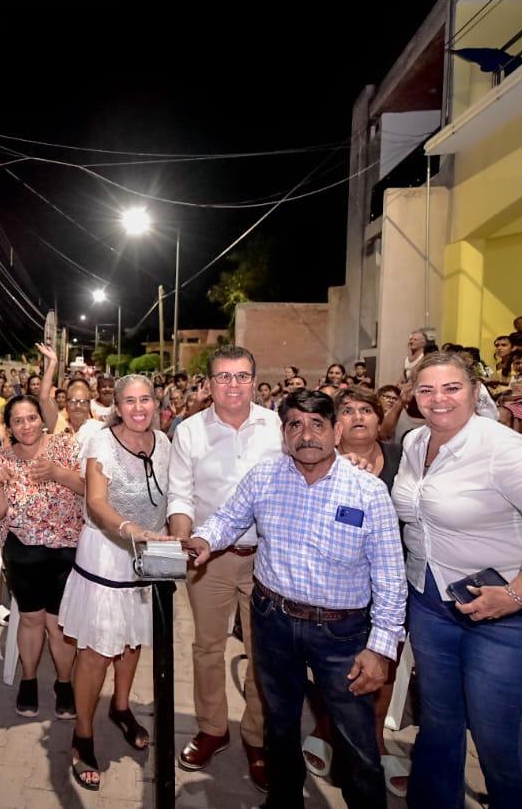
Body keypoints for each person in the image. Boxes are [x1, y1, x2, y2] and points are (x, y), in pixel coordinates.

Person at [391, 352, 522, 809]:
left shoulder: (501, 447)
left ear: (474, 390)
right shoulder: (414, 443)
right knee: (439, 725)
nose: (438, 399)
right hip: (432, 605)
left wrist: (514, 593)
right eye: (426, 390)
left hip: (509, 618)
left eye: (451, 388)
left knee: (496, 739)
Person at [184, 389, 406, 809]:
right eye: (295, 425)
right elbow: (230, 518)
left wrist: (381, 649)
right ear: (283, 433)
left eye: (317, 424)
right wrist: (204, 539)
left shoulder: (367, 491)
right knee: (280, 724)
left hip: (342, 634)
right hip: (274, 621)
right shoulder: (264, 477)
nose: (307, 435)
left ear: (336, 431)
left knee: (355, 739)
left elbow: (391, 578)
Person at [166, 346, 280, 793]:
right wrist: (184, 539)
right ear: (209, 383)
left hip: (268, 560)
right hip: (208, 560)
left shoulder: (276, 427)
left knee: (262, 654)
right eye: (224, 377)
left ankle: (255, 735)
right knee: (207, 649)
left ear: (255, 380)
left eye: (242, 376)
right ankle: (213, 728)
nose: (233, 385)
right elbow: (180, 496)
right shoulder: (189, 432)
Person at [59, 375, 172, 792]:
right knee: (97, 650)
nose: (139, 408)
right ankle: (82, 734)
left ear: (155, 402)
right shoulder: (102, 443)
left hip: (147, 557)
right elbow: (96, 502)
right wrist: (131, 530)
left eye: (145, 399)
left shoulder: (165, 444)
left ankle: (121, 708)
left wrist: (173, 532)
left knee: (132, 640)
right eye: (130, 401)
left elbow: (173, 497)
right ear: (116, 406)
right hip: (107, 553)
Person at [302, 387, 408, 797]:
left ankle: (376, 739)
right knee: (335, 667)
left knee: (384, 664)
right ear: (336, 423)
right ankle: (328, 730)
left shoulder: (401, 457)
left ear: (380, 420)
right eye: (348, 410)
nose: (359, 416)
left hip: (392, 577)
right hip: (336, 584)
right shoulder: (319, 460)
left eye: (368, 409)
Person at [0, 395, 84, 719]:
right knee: (30, 619)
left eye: (31, 418)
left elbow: (89, 488)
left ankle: (64, 683)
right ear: (10, 427)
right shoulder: (2, 458)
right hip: (23, 550)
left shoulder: (66, 446)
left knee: (58, 623)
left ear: (41, 418)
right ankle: (29, 681)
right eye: (17, 420)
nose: (25, 425)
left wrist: (56, 472)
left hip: (67, 548)